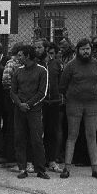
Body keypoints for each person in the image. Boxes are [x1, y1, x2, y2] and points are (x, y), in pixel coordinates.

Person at [59, 38, 97, 179]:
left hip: (92, 103)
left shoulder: (96, 64)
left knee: (91, 135)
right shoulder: (71, 65)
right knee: (72, 135)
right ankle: (66, 168)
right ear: (78, 50)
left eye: (88, 49)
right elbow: (62, 85)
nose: (86, 51)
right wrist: (72, 96)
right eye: (83, 49)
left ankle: (95, 169)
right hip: (74, 104)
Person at [9, 45, 50, 179]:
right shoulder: (18, 71)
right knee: (19, 138)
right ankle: (22, 168)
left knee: (37, 139)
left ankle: (41, 169)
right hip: (19, 110)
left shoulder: (42, 70)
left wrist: (29, 104)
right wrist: (19, 104)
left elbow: (42, 92)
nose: (18, 57)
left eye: (20, 55)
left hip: (34, 111)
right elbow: (12, 91)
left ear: (27, 56)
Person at [41, 42, 64, 172]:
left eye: (52, 54)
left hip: (54, 102)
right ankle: (39, 159)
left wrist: (60, 97)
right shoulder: (38, 64)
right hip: (41, 102)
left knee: (53, 132)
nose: (49, 56)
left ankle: (52, 160)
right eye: (47, 53)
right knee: (39, 132)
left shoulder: (57, 64)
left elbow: (62, 81)